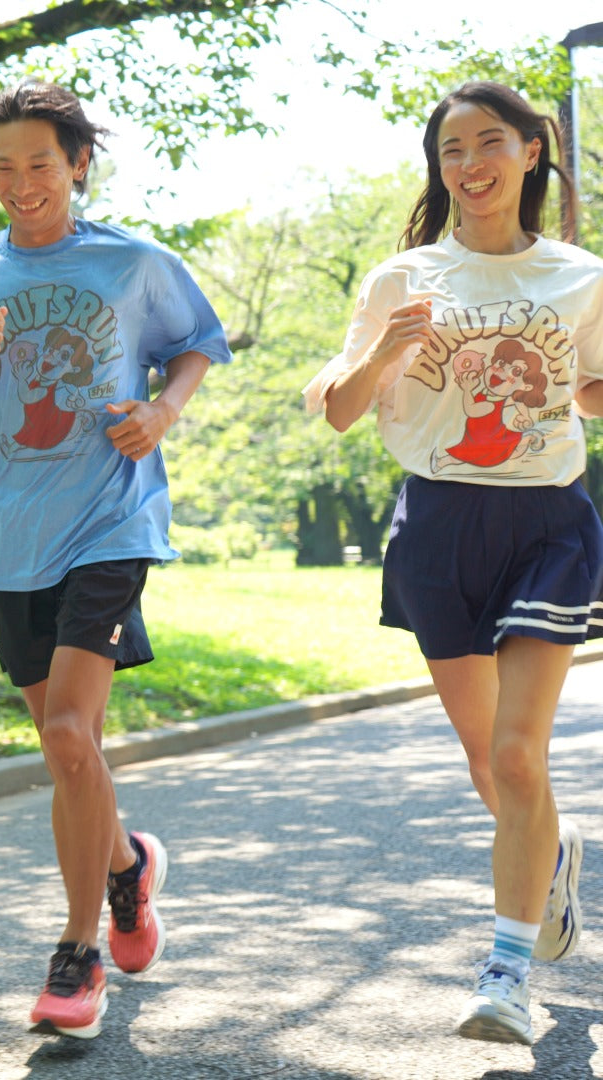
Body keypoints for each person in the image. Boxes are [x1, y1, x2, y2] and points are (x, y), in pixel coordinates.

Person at [0, 80, 231, 1040]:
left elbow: (198, 342)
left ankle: (79, 953)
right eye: (3, 166)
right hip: (9, 540)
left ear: (77, 164)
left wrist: (162, 412)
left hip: (110, 525)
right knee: (65, 749)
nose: (21, 182)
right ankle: (125, 868)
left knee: (72, 737)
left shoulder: (129, 262)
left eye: (41, 162)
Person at [303, 81, 603, 1046]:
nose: (469, 165)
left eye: (488, 144)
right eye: (450, 151)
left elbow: (590, 395)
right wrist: (384, 351)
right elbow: (343, 410)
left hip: (547, 522)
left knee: (519, 755)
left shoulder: (582, 276)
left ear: (530, 151)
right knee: (488, 762)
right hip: (437, 520)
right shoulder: (403, 279)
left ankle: (508, 971)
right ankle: (550, 858)